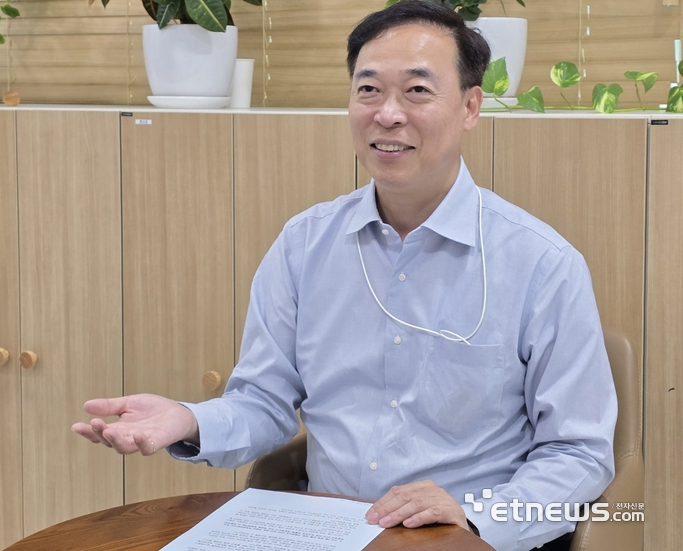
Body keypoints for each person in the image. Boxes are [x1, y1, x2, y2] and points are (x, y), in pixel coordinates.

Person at [72, 2, 617, 550]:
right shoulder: (304, 244)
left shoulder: (541, 263)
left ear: (471, 106)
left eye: (418, 91)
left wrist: (477, 517)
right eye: (369, 90)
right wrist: (187, 420)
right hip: (327, 533)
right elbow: (263, 404)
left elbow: (579, 452)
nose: (388, 114)